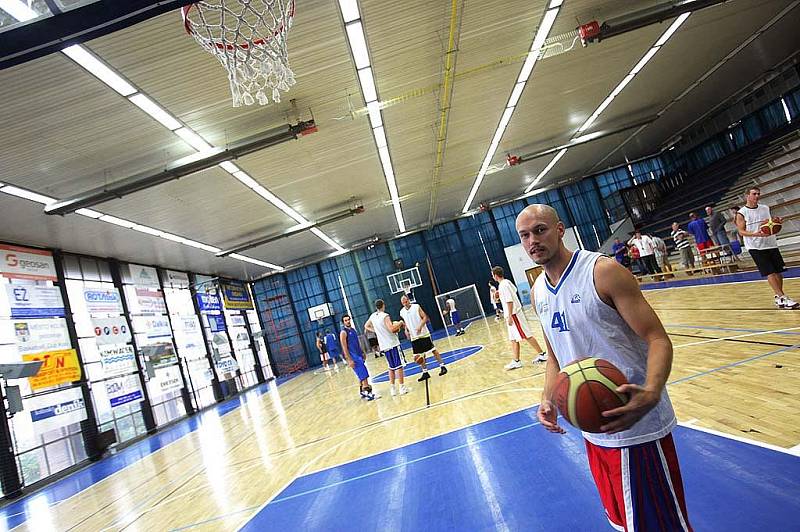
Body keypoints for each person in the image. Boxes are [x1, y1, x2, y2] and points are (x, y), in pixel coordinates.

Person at [518, 204, 692, 532]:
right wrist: (547, 398)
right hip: (594, 430)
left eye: (539, 230)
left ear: (560, 229)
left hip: (637, 427)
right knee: (624, 525)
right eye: (524, 236)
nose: (532, 241)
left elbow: (658, 339)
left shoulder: (602, 272)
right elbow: (555, 355)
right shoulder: (538, 290)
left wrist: (652, 392)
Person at [736, 186, 798, 309]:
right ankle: (783, 297)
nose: (757, 196)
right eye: (754, 194)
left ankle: (779, 297)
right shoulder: (742, 213)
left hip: (771, 243)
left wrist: (777, 222)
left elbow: (769, 223)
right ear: (747, 196)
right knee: (770, 273)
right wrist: (756, 234)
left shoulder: (765, 208)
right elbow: (741, 232)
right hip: (755, 246)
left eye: (758, 194)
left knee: (779, 272)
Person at [491, 266, 547, 370]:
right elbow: (514, 290)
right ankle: (516, 361)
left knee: (526, 335)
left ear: (495, 275)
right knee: (513, 339)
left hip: (514, 314)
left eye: (492, 275)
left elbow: (509, 301)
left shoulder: (503, 285)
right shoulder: (506, 282)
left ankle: (542, 354)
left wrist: (511, 316)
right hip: (512, 314)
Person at [365, 299, 410, 396]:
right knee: (399, 366)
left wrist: (376, 330)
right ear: (383, 305)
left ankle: (393, 389)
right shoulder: (385, 316)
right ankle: (402, 388)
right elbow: (392, 329)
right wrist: (400, 323)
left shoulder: (373, 316)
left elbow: (366, 326)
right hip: (392, 343)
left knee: (391, 367)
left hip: (384, 346)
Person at [399, 295, 448, 381]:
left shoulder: (416, 306)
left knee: (433, 350)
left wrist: (420, 326)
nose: (405, 304)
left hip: (424, 334)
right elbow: (406, 322)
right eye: (403, 302)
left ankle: (442, 366)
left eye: (406, 301)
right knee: (419, 356)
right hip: (414, 337)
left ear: (409, 300)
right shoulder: (402, 312)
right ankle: (425, 372)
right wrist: (406, 330)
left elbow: (425, 317)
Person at [339, 314, 379, 400]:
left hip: (358, 354)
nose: (348, 321)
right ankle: (368, 392)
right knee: (364, 374)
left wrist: (362, 352)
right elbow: (344, 347)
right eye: (345, 320)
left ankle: (362, 391)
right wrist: (349, 359)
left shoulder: (353, 330)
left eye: (348, 319)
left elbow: (357, 343)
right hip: (353, 357)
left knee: (361, 374)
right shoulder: (343, 332)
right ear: (343, 322)